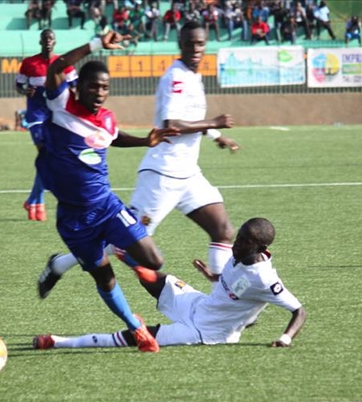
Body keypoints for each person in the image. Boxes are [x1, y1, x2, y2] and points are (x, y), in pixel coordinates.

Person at [36, 21, 239, 301]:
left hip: (189, 173)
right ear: (180, 43)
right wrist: (213, 122)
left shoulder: (195, 76)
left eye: (200, 43)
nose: (195, 49)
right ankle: (59, 264)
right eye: (190, 43)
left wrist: (214, 133)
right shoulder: (175, 76)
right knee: (124, 246)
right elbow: (171, 122)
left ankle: (223, 299)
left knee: (223, 229)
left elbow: (189, 115)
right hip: (162, 174)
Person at [36, 30, 180, 353]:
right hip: (74, 219)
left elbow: (112, 137)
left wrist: (145, 140)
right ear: (78, 87)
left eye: (105, 87)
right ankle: (136, 327)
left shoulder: (107, 120)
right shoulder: (61, 103)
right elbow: (56, 66)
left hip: (107, 206)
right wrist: (97, 44)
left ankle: (75, 258)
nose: (99, 92)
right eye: (93, 86)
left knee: (154, 260)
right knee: (105, 278)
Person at [33, 217, 307, 350]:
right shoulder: (239, 256)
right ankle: (117, 251)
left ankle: (58, 342)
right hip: (198, 303)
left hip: (205, 331)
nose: (237, 243)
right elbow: (234, 286)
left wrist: (285, 339)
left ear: (261, 246)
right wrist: (213, 277)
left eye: (245, 241)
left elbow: (299, 311)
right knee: (152, 274)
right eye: (240, 236)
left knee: (137, 335)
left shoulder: (265, 278)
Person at [16, 29, 78, 222]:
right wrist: (25, 90)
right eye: (45, 39)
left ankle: (33, 200)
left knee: (50, 158)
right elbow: (19, 85)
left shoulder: (64, 64)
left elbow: (75, 87)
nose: (48, 42)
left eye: (51, 39)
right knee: (47, 155)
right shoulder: (29, 63)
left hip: (56, 118)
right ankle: (38, 201)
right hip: (36, 116)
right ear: (40, 41)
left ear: (55, 42)